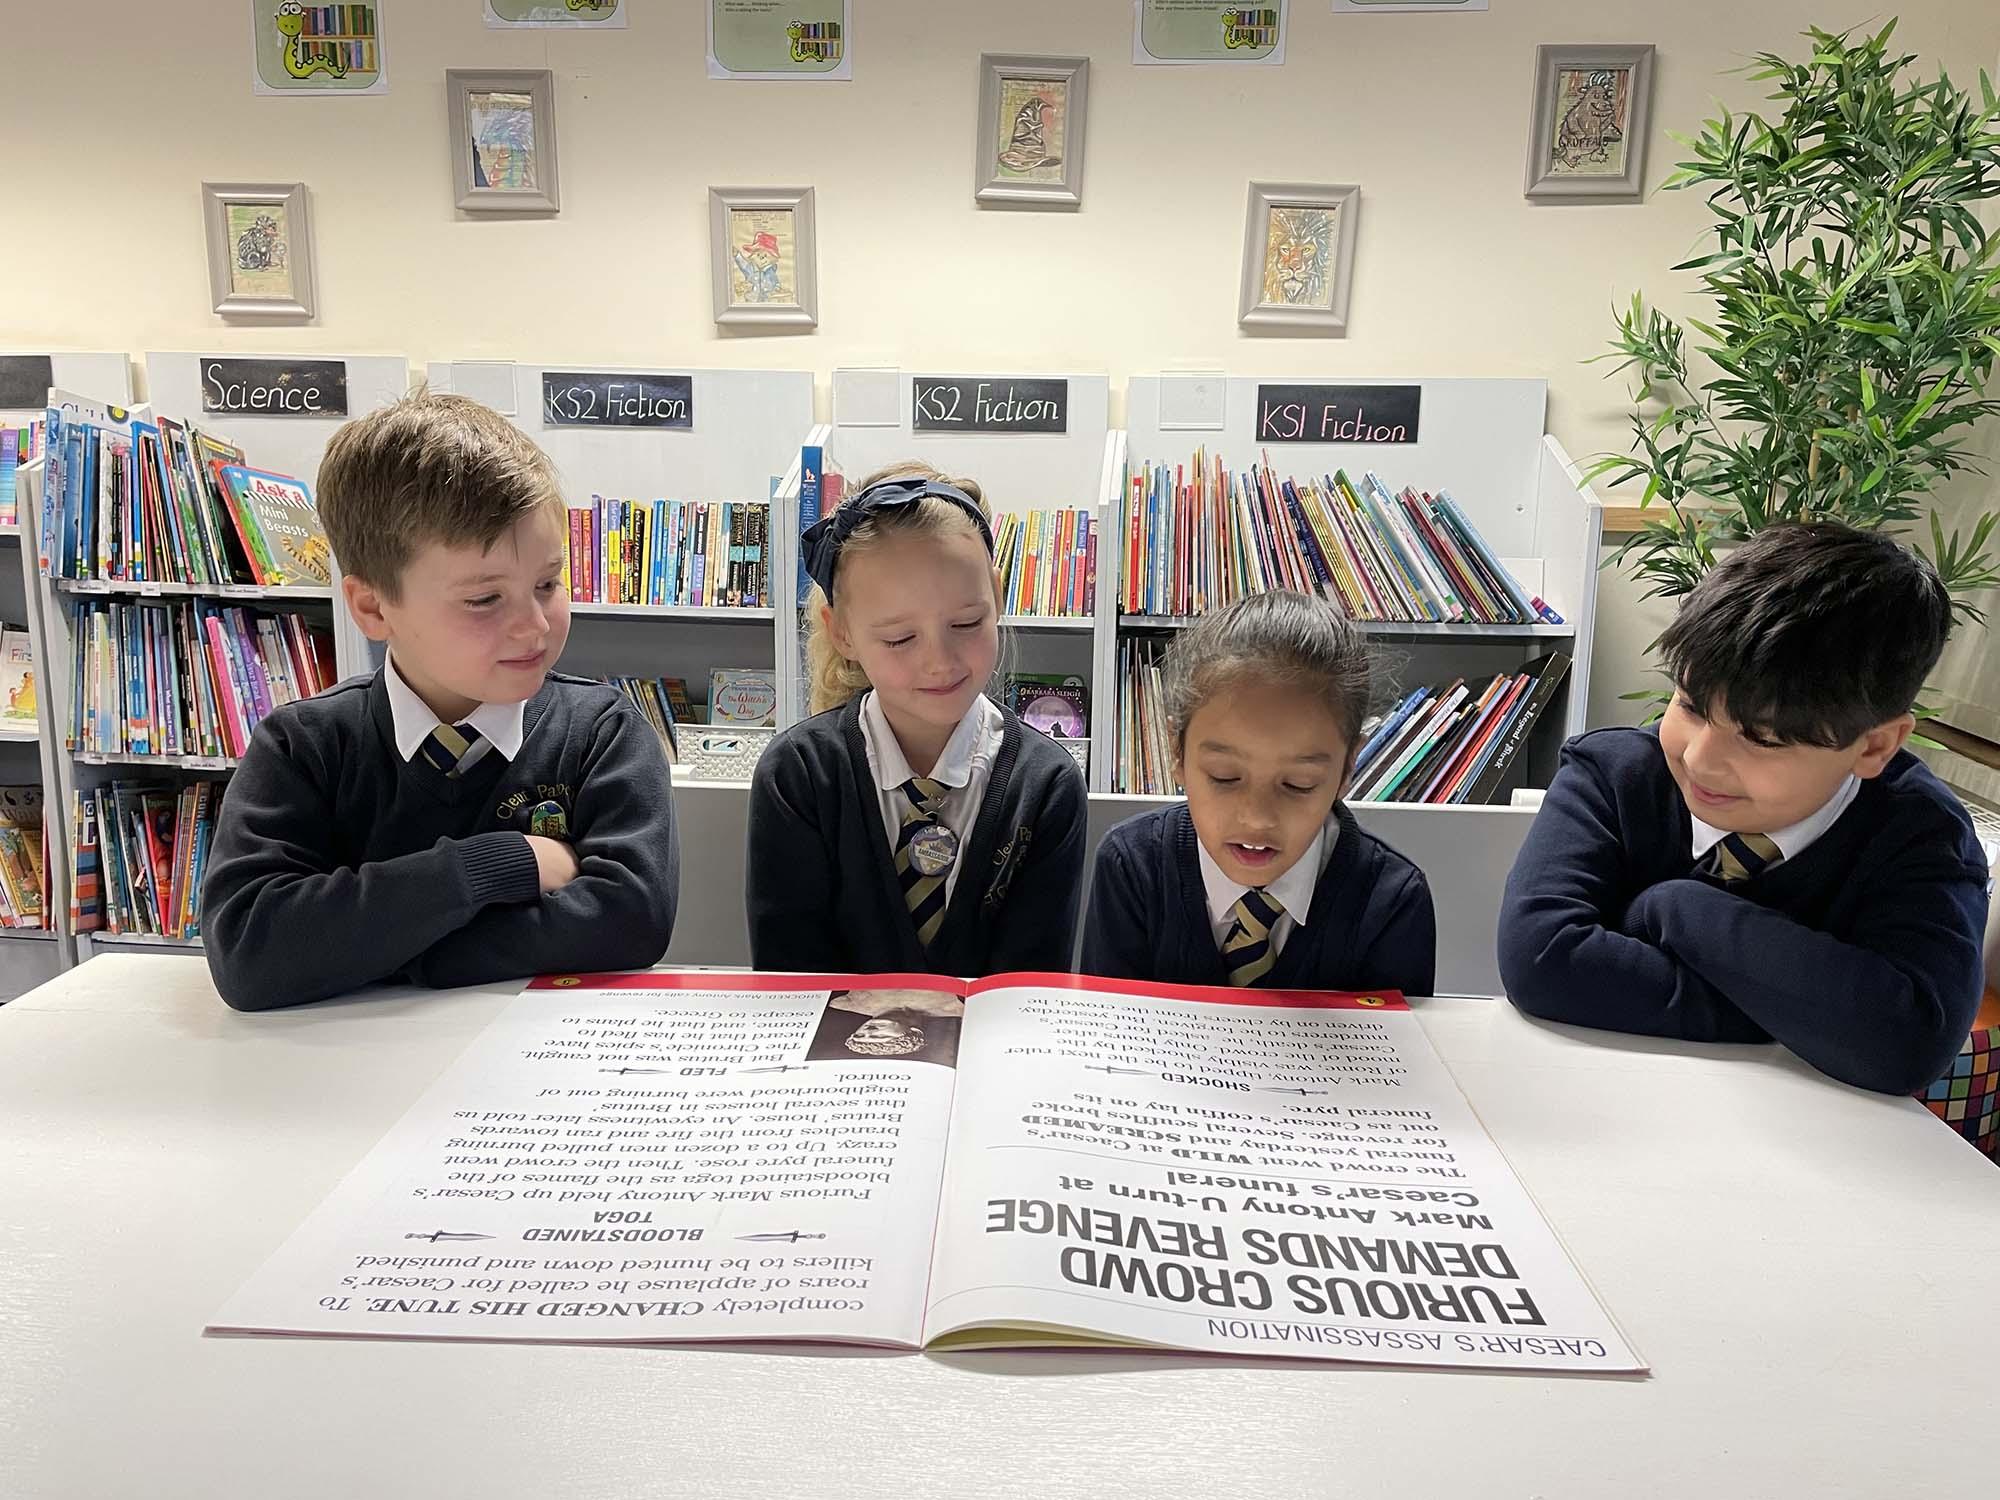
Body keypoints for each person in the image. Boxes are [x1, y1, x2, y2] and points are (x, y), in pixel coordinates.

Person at [202, 391, 679, 1011]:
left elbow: (631, 920)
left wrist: (387, 949)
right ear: (373, 607)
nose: (535, 626)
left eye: (547, 583)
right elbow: (249, 951)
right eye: (484, 600)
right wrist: (501, 864)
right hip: (351, 1066)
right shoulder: (304, 747)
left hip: (536, 1060)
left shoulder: (602, 733)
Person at [1497, 522, 1988, 1094]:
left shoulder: (1920, 834)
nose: (1700, 760)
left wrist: (1672, 907)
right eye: (1690, 706)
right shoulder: (1614, 776)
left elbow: (1906, 1045)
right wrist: (1804, 1021)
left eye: (1762, 738)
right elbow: (1542, 960)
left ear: (1875, 746)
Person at [747, 463, 1086, 976]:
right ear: (842, 632)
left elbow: (1027, 988)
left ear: (996, 597)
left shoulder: (1046, 785)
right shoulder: (799, 775)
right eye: (900, 638)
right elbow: (793, 981)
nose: (940, 662)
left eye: (966, 623)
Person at [1082, 590, 1436, 994]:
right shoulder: (1132, 868)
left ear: (1347, 767)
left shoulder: (1391, 901)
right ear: (1176, 751)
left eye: (1298, 784)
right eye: (1224, 777)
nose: (1256, 818)